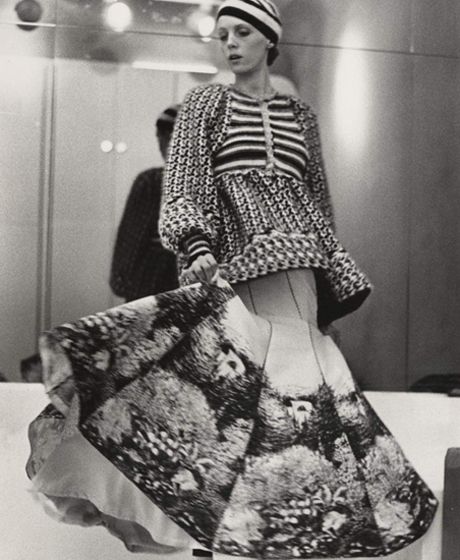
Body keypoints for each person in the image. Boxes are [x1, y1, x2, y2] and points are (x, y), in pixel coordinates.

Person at [26, 1, 437, 559]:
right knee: (233, 414)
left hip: (303, 273)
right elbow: (185, 184)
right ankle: (205, 531)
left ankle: (276, 536)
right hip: (239, 270)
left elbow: (318, 201)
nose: (231, 43)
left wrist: (329, 286)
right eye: (223, 34)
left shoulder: (300, 116)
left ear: (270, 40)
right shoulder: (206, 103)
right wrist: (196, 245)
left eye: (243, 32)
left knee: (301, 420)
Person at [109, 105, 180, 301]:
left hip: (151, 287)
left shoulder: (151, 182)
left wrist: (120, 281)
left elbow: (131, 241)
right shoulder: (214, 183)